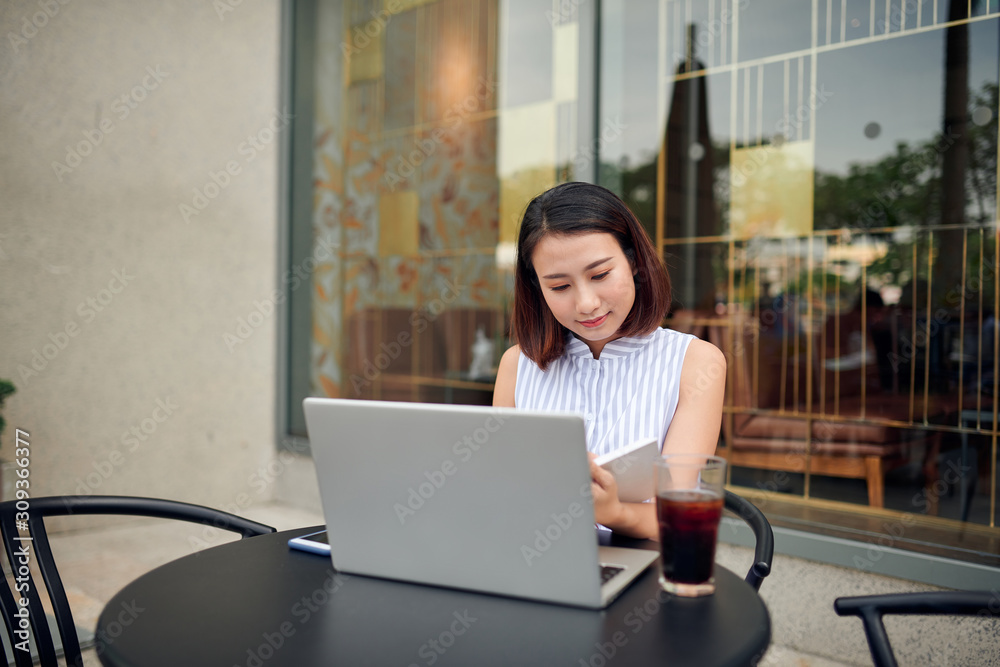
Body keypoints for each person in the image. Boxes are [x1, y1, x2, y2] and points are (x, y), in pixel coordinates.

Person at [493, 182, 725, 541]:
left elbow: (677, 517)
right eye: (559, 287)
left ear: (633, 261)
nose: (586, 303)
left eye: (600, 275)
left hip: (640, 574)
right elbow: (501, 495)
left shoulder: (695, 363)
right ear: (537, 288)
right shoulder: (517, 365)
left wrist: (613, 511)